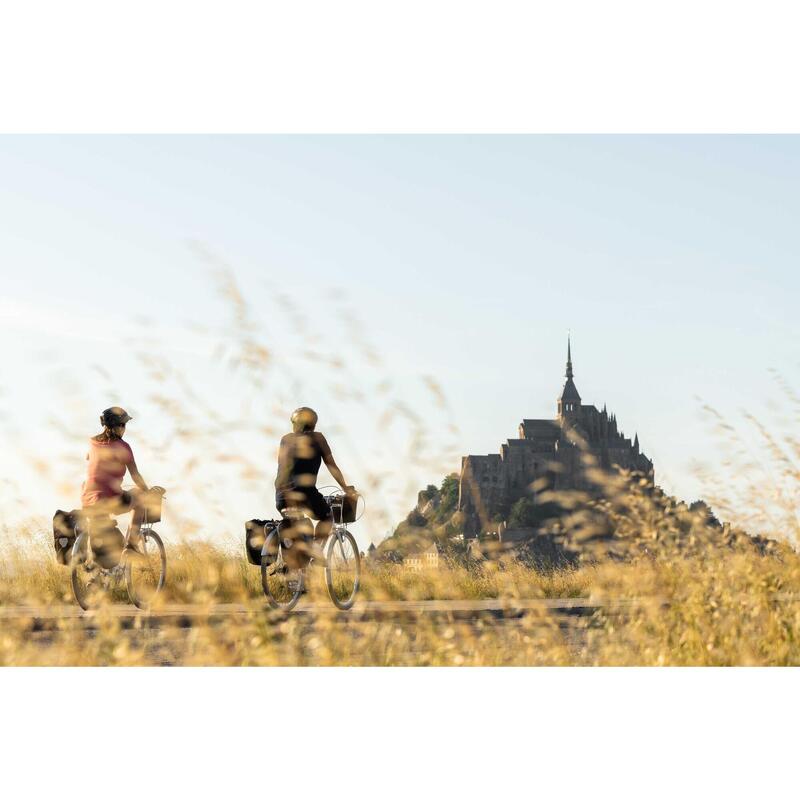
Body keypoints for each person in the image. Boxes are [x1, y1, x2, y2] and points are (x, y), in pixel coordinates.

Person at [275, 407, 355, 560]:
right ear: (313, 424)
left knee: (298, 525)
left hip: (280, 496)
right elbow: (332, 466)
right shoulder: (318, 438)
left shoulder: (285, 439)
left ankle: (296, 569)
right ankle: (315, 550)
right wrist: (346, 488)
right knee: (327, 516)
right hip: (305, 493)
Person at [81, 406, 162, 555]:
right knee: (138, 496)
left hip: (88, 499)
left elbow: (88, 458)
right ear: (116, 427)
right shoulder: (123, 447)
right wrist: (147, 491)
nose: (124, 429)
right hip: (110, 499)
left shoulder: (92, 442)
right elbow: (135, 475)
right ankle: (131, 546)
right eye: (123, 425)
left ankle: (98, 572)